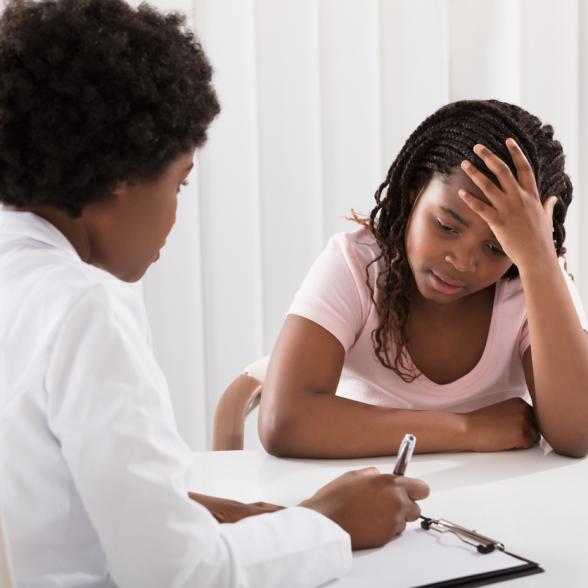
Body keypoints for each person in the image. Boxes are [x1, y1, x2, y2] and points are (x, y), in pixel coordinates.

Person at [0, 1, 430, 587]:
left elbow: (60, 495)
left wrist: (228, 515)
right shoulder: (85, 309)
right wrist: (328, 521)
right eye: (180, 181)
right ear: (123, 179)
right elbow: (179, 575)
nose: (176, 216)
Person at [258, 99, 588, 460]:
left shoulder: (533, 281)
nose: (461, 261)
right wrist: (467, 428)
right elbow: (284, 420)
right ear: (415, 190)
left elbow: (577, 434)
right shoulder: (357, 266)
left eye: (496, 248)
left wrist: (539, 261)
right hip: (366, 495)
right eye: (446, 226)